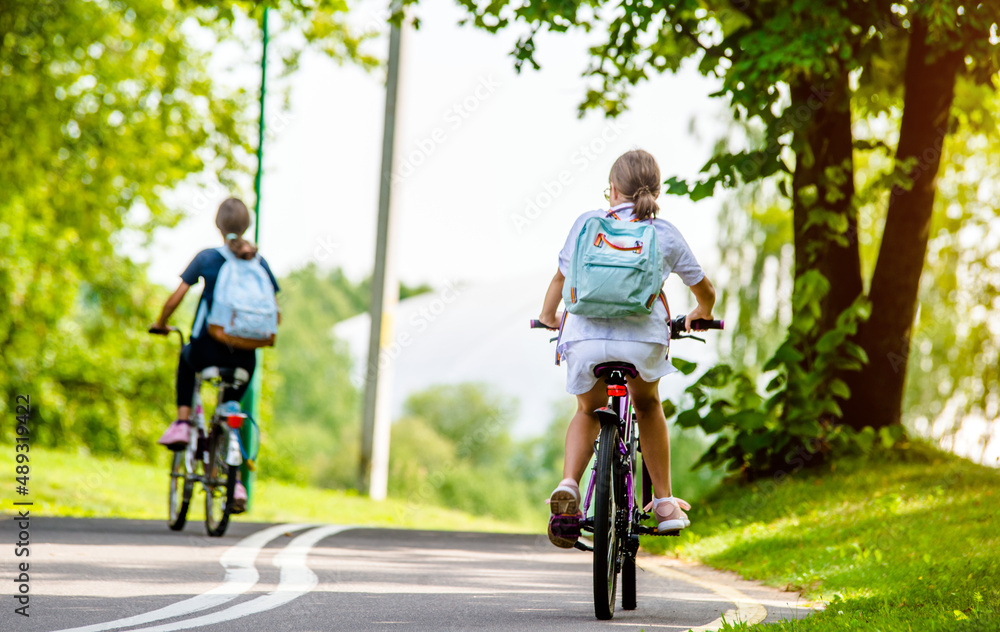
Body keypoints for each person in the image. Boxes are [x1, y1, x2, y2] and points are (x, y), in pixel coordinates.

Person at [537, 149, 716, 547]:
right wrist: (701, 312)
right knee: (648, 405)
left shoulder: (587, 224)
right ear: (656, 190)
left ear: (612, 189)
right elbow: (703, 288)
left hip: (585, 340)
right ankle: (665, 502)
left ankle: (568, 482)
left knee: (586, 408)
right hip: (642, 342)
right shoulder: (664, 233)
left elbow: (558, 282)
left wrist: (549, 317)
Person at [151, 198, 280, 512]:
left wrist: (161, 323)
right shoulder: (259, 263)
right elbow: (273, 311)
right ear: (246, 225)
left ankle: (182, 423)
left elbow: (176, 297)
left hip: (207, 349)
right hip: (246, 357)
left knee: (185, 357)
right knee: (230, 409)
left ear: (218, 225)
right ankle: (232, 480)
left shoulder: (208, 258)